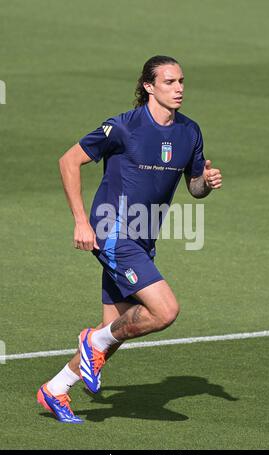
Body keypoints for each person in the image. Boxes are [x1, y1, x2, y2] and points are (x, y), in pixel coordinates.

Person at [37, 55, 222, 423]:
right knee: (164, 310)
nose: (179, 88)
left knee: (116, 330)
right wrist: (80, 222)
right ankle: (92, 341)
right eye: (169, 82)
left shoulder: (190, 131)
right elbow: (68, 161)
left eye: (181, 81)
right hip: (111, 231)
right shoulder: (123, 126)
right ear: (149, 87)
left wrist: (207, 183)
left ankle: (55, 389)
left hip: (144, 238)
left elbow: (195, 187)